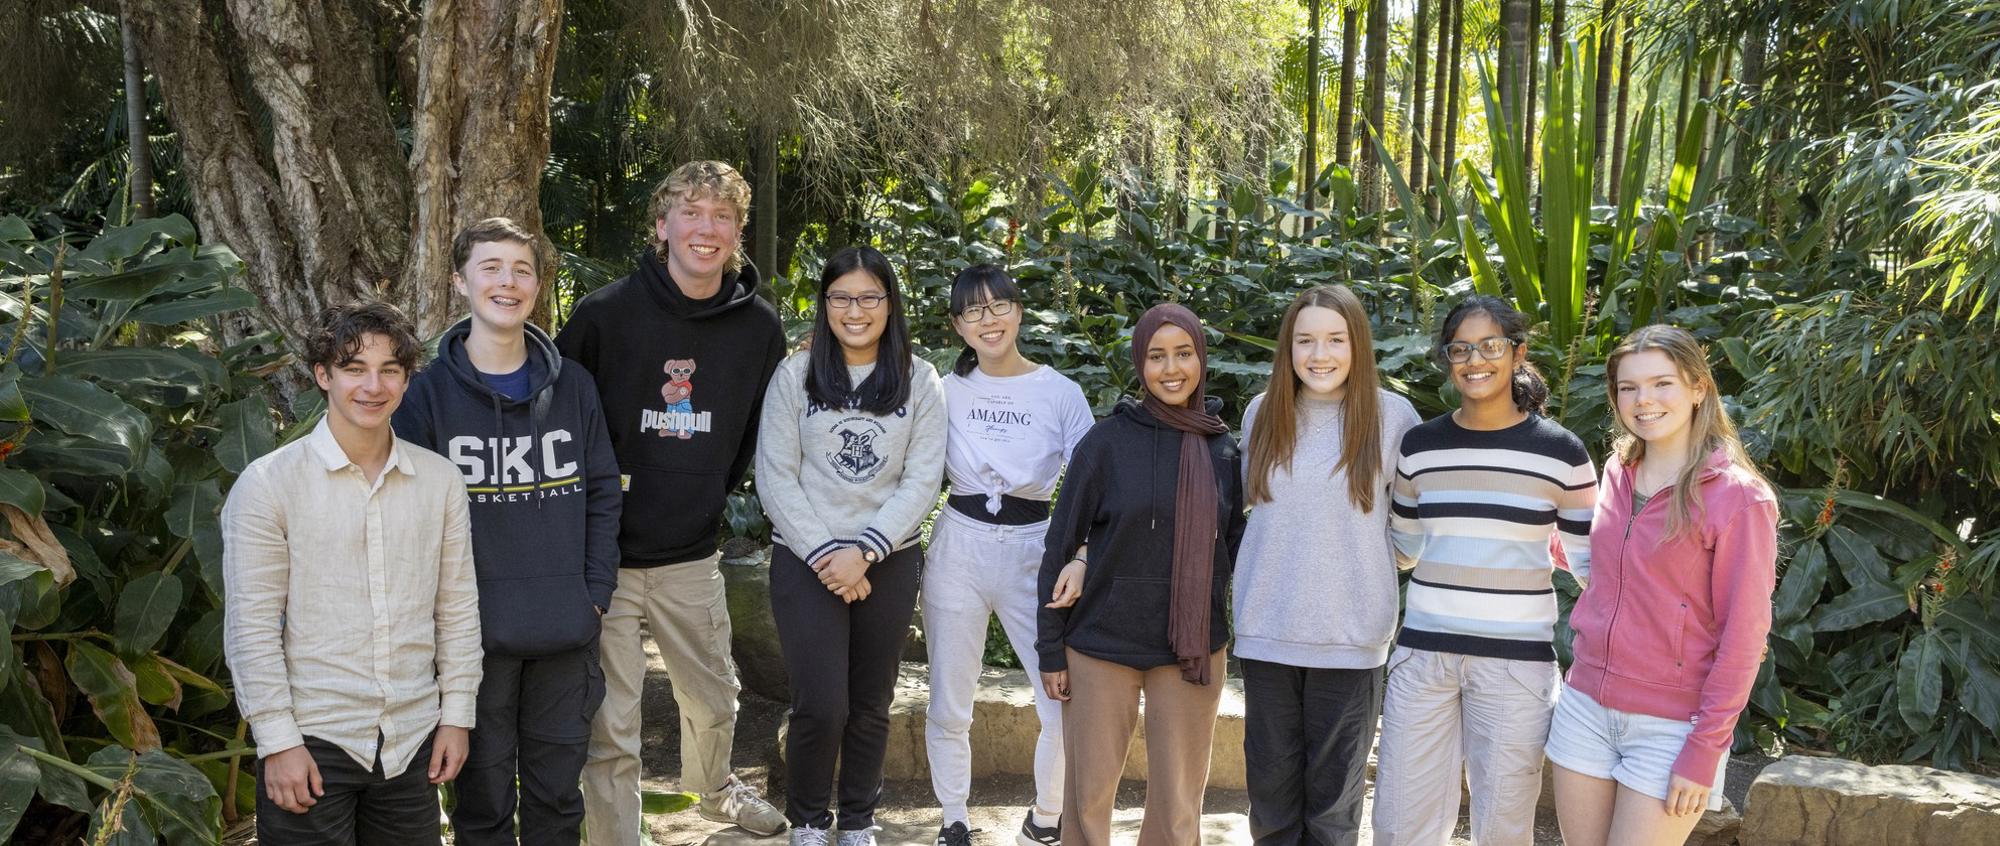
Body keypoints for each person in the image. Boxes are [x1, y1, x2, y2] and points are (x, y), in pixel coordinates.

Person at [555, 161, 788, 842]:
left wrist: (704, 492)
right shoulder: (604, 314)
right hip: (607, 557)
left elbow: (750, 435)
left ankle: (713, 790)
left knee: (715, 699)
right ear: (663, 226)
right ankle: (614, 834)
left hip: (691, 553)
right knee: (613, 719)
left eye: (722, 216)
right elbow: (566, 421)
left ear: (737, 232)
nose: (706, 228)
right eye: (692, 212)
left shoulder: (759, 330)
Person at [392, 218, 622, 845]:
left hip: (564, 631)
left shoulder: (573, 386)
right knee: (483, 802)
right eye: (490, 267)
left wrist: (594, 591)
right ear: (459, 280)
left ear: (539, 285)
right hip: (472, 643)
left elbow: (603, 491)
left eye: (522, 269)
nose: (507, 282)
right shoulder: (425, 398)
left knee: (556, 800)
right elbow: (409, 519)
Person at [222, 302, 482, 845]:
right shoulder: (269, 483)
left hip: (411, 742)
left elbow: (456, 609)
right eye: (354, 368)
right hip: (312, 739)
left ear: (408, 379)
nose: (373, 385)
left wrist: (456, 715)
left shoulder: (439, 481)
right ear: (323, 375)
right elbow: (251, 626)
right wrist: (277, 742)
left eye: (390, 369)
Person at [1373, 295, 1597, 846]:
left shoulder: (1562, 453)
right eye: (1461, 348)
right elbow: (1400, 548)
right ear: (1447, 359)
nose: (1476, 359)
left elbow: (1594, 566)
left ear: (1517, 352)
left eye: (1491, 345)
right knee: (1400, 824)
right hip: (1423, 657)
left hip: (1516, 666)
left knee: (1502, 827)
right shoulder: (1419, 445)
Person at [1548, 325, 1778, 846]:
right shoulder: (1617, 472)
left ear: (1698, 387)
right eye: (1628, 388)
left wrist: (1705, 749)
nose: (1643, 400)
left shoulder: (1740, 499)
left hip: (1672, 727)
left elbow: (1744, 638)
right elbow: (1606, 567)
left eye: (1661, 384)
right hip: (1585, 706)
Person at [1035, 303, 1247, 846]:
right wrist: (1051, 649)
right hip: (1101, 643)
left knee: (1179, 808)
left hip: (1191, 647)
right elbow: (1060, 546)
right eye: (1157, 356)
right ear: (1140, 362)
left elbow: (1234, 547)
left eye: (1183, 354)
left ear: (1200, 359)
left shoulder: (1222, 450)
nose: (1171, 368)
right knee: (1087, 802)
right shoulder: (1105, 444)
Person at [755, 245, 947, 846]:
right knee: (821, 703)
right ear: (825, 305)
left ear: (889, 305)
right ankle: (809, 820)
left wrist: (863, 551)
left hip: (886, 559)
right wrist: (826, 555)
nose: (855, 309)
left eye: (869, 297)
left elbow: (923, 478)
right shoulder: (795, 375)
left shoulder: (920, 379)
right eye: (841, 297)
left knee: (871, 701)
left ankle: (858, 820)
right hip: (804, 558)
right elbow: (775, 474)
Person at [1234, 286, 1420, 846]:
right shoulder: (1262, 413)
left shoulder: (1393, 419)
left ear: (1357, 345)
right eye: (1306, 340)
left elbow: (1409, 537)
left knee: (1333, 807)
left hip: (1351, 637)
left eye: (1336, 339)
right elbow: (1250, 514)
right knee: (1270, 802)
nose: (1321, 354)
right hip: (1268, 631)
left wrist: (1355, 567)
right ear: (1288, 349)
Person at [923, 265, 1095, 846]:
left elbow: (1095, 483)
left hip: (1035, 550)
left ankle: (1046, 818)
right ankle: (954, 818)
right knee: (950, 697)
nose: (988, 319)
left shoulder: (1060, 393)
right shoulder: (942, 391)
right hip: (959, 546)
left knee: (1059, 700)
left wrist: (1084, 554)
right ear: (958, 326)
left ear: (1019, 311)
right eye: (973, 310)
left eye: (998, 306)